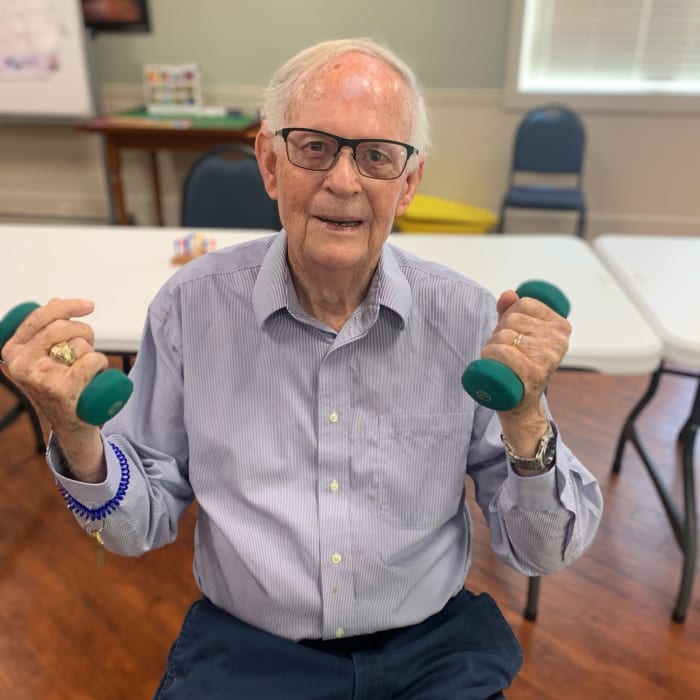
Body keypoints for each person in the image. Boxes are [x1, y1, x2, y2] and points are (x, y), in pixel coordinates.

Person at [0, 38, 603, 699]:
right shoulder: (189, 309)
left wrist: (527, 419)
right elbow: (137, 526)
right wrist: (78, 436)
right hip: (249, 654)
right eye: (314, 147)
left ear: (408, 184)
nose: (342, 181)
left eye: (375, 155)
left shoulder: (464, 319)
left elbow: (542, 551)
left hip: (432, 654)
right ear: (268, 162)